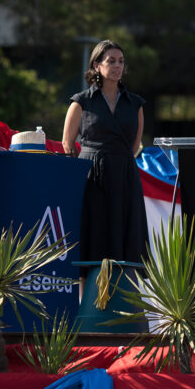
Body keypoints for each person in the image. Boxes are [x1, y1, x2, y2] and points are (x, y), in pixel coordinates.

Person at [62, 40, 148, 292]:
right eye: (111, 61)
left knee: (124, 240)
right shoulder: (81, 101)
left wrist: (118, 162)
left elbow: (135, 145)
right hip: (91, 177)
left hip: (124, 175)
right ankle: (86, 306)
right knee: (91, 239)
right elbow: (68, 144)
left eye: (121, 61)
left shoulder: (136, 103)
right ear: (97, 66)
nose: (118, 66)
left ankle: (123, 303)